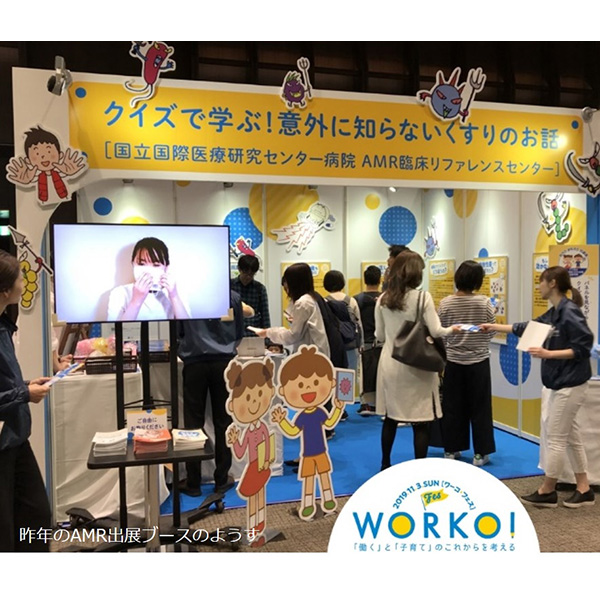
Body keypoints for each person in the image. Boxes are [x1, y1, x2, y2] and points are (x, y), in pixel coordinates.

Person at [480, 266, 595, 508]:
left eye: (541, 281)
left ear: (552, 283)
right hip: (560, 382)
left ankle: (547, 490)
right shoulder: (555, 312)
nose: (539, 286)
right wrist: (494, 327)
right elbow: (527, 327)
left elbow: (583, 347)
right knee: (570, 436)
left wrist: (548, 353)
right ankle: (584, 488)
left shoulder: (569, 312)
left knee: (556, 437)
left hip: (570, 383)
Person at [375, 251, 459, 468]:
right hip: (418, 365)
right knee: (421, 422)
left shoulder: (383, 299)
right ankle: (419, 468)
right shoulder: (423, 298)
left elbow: (380, 335)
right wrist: (453, 329)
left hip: (390, 363)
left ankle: (385, 463)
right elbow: (436, 331)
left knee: (391, 418)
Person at [0, 250, 53, 551]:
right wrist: (24, 393)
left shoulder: (4, 326)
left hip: (16, 437)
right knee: (6, 529)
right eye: (20, 278)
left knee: (36, 515)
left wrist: (25, 385)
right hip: (4, 441)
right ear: (5, 290)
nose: (25, 282)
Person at [177, 290, 244, 496]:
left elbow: (179, 331)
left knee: (193, 422)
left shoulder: (185, 295)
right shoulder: (232, 297)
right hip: (224, 363)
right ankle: (221, 479)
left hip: (194, 362)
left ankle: (193, 481)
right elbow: (239, 333)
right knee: (224, 421)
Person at [438, 260, 496, 466]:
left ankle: (451, 449)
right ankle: (480, 453)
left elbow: (440, 332)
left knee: (452, 407)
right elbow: (492, 330)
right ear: (477, 281)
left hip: (453, 362)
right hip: (479, 362)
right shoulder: (484, 303)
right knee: (481, 408)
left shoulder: (445, 303)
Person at [225, 358, 275, 547]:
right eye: (248, 398)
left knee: (260, 495)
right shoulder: (248, 432)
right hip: (253, 467)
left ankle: (259, 524)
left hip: (262, 466)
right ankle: (253, 526)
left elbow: (268, 443)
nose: (254, 402)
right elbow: (240, 452)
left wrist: (267, 459)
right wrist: (234, 441)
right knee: (253, 496)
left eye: (260, 394)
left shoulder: (262, 428)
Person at [107, 237, 190, 321]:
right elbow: (114, 329)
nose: (148, 271)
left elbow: (188, 327)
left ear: (166, 268)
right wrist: (136, 300)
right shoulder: (120, 293)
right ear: (133, 264)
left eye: (156, 265)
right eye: (141, 264)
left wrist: (174, 296)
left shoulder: (177, 292)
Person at [323, 269, 363, 394]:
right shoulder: (351, 301)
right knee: (349, 375)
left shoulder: (324, 302)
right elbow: (359, 324)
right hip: (350, 342)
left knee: (332, 375)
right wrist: (360, 343)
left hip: (332, 345)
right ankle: (346, 400)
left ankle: (335, 402)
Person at [354, 265, 382, 415]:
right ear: (380, 280)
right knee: (381, 373)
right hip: (383, 341)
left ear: (364, 280)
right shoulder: (386, 299)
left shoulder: (357, 299)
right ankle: (381, 403)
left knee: (364, 374)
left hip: (364, 342)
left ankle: (366, 404)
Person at [231, 255, 271, 337]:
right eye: (245, 273)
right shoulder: (230, 286)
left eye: (251, 274)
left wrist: (267, 338)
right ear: (239, 269)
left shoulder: (260, 289)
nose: (248, 277)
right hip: (233, 333)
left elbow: (265, 316)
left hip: (254, 334)